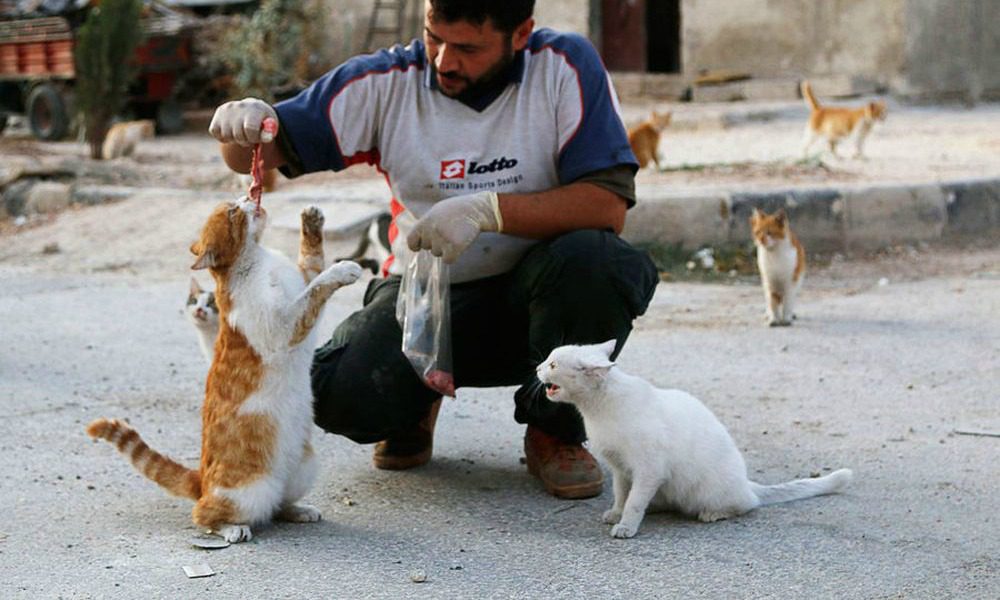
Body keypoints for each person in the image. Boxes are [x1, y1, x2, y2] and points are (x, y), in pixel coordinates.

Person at [208, 0, 658, 499]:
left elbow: (606, 206)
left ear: (520, 33)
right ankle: (413, 404)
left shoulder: (564, 67)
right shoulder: (386, 81)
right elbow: (265, 146)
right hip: (423, 299)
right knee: (337, 393)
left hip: (540, 298)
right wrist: (240, 126)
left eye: (466, 47)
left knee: (597, 263)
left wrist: (487, 210)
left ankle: (555, 431)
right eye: (433, 38)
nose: (444, 60)